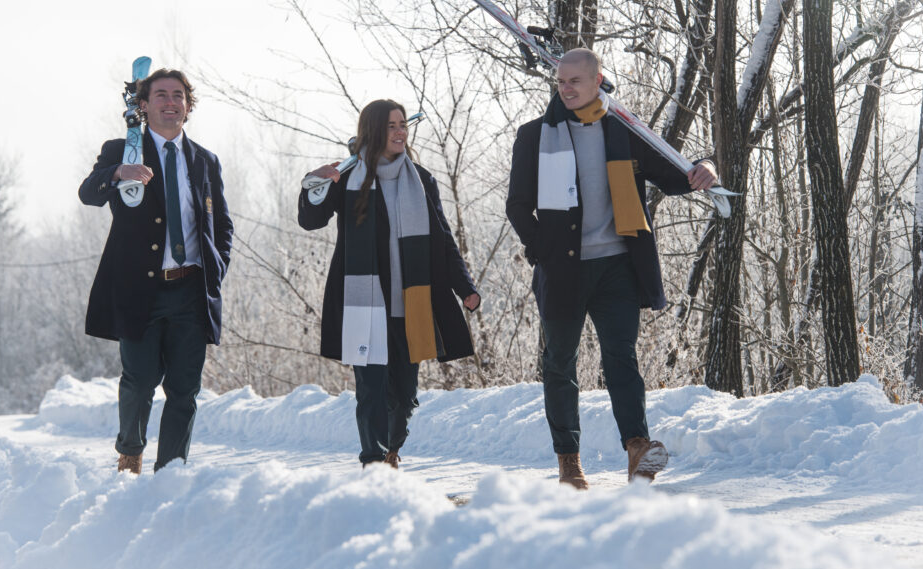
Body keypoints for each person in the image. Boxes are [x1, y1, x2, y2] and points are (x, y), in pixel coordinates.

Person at [506, 48, 718, 489]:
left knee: (621, 357)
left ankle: (637, 446)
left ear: (597, 79)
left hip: (617, 265)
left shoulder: (622, 130)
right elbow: (518, 206)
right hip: (562, 271)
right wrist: (545, 250)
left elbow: (672, 174)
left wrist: (704, 169)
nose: (564, 88)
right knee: (559, 363)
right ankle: (569, 461)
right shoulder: (534, 136)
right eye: (560, 81)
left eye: (574, 81)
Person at [299, 99, 480, 468]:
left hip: (411, 303)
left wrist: (465, 287)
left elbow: (442, 239)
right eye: (391, 126)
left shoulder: (422, 179)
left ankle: (392, 449)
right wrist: (313, 184)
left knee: (405, 395)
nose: (400, 132)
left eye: (403, 125)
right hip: (364, 303)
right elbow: (310, 219)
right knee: (371, 390)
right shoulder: (348, 178)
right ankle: (373, 460)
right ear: (374, 131)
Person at [79, 68, 233, 475]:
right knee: (140, 380)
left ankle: (171, 471)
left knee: (185, 390)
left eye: (178, 95)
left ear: (188, 105)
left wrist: (215, 268)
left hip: (190, 291)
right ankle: (130, 453)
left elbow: (223, 226)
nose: (170, 102)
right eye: (161, 95)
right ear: (143, 106)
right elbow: (88, 193)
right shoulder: (122, 150)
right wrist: (117, 173)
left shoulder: (205, 160)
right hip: (139, 291)